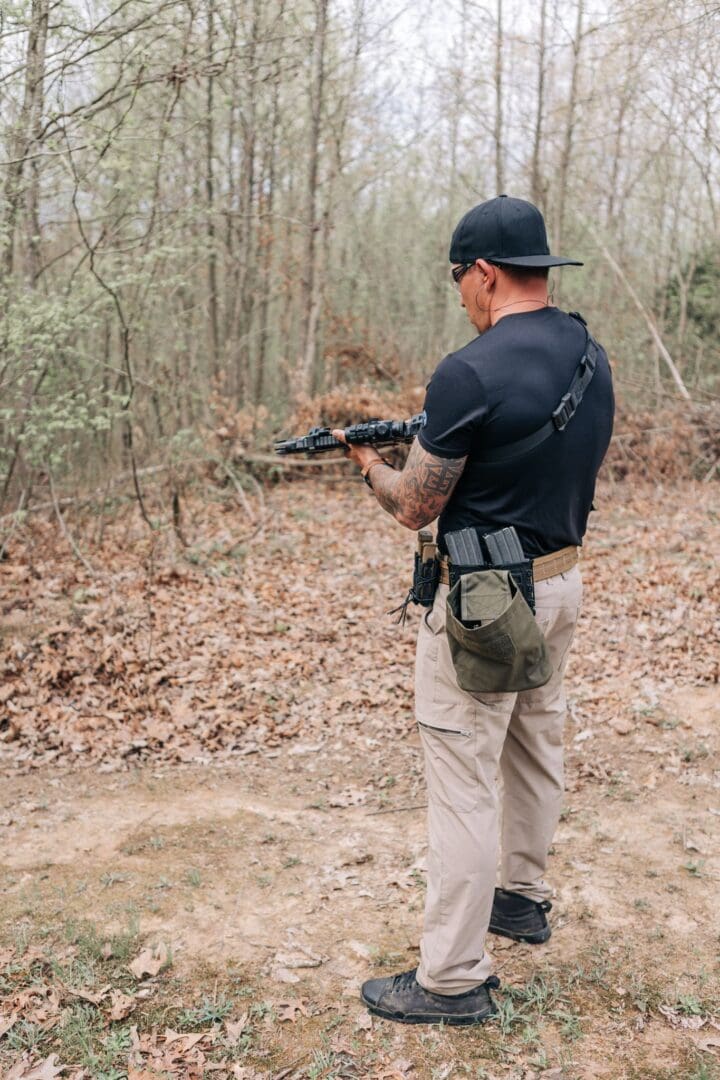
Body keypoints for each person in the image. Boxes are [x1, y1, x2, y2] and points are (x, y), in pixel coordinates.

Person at [333, 194, 614, 1026]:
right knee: (535, 745)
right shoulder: (588, 352)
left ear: (485, 273)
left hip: (485, 602)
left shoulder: (469, 370)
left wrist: (367, 467)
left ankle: (451, 978)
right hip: (561, 583)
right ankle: (520, 898)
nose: (459, 293)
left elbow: (418, 505)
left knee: (462, 779)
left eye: (460, 277)